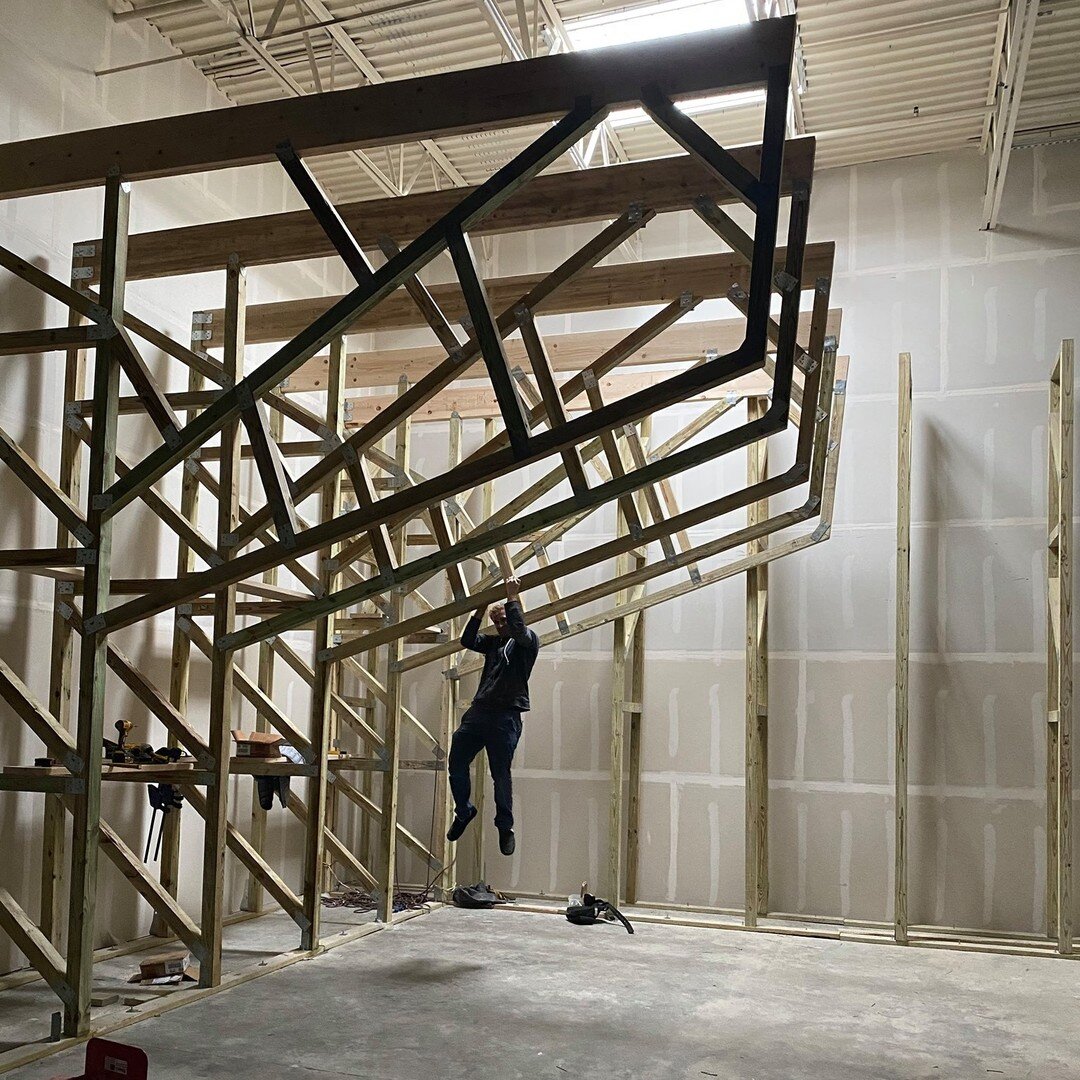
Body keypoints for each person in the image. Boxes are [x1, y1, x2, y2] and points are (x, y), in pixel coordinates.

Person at [446, 577, 539, 856]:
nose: (501, 627)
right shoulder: (495, 644)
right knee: (456, 763)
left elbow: (520, 630)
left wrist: (512, 597)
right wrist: (479, 609)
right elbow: (467, 640)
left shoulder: (527, 642)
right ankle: (464, 811)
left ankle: (505, 826)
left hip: (506, 717)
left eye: (504, 622)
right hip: (480, 712)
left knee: (500, 774)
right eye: (497, 623)